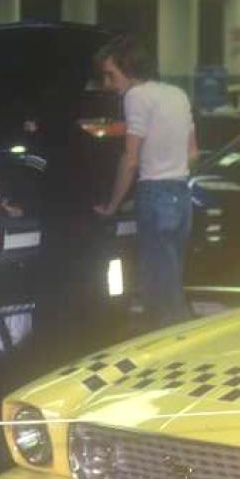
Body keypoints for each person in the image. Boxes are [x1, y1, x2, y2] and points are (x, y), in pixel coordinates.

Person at [93, 35, 197, 328]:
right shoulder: (178, 94)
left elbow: (131, 160)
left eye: (111, 75)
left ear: (129, 69)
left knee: (157, 289)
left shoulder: (135, 96)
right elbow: (193, 153)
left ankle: (169, 345)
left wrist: (112, 206)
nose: (107, 84)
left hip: (154, 193)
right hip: (181, 195)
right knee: (171, 279)